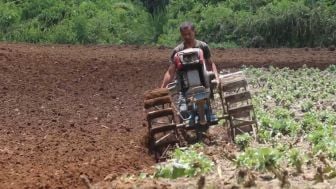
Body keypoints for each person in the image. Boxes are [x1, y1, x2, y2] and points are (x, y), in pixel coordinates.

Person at [161, 22, 219, 88]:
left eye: (189, 34)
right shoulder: (177, 51)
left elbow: (210, 64)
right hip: (183, 84)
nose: (187, 37)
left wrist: (216, 78)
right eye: (184, 35)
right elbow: (170, 72)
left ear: (194, 32)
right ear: (181, 35)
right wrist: (162, 88)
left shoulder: (203, 46)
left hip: (203, 81)